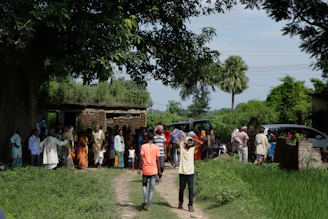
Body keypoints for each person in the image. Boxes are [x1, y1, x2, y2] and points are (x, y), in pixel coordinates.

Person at [176, 136, 203, 212]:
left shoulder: (192, 149)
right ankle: (180, 203)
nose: (190, 143)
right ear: (186, 143)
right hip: (182, 172)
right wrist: (183, 138)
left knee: (191, 189)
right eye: (189, 142)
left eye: (191, 142)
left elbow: (201, 143)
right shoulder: (182, 149)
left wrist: (193, 139)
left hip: (190, 172)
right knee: (181, 189)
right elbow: (177, 143)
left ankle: (190, 205)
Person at [137, 132, 161, 211]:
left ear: (147, 138)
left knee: (144, 185)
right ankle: (148, 206)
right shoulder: (157, 147)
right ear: (153, 139)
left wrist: (138, 168)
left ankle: (145, 199)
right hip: (153, 170)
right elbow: (157, 160)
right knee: (151, 189)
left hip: (145, 169)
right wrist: (159, 171)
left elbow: (141, 158)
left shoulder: (143, 146)